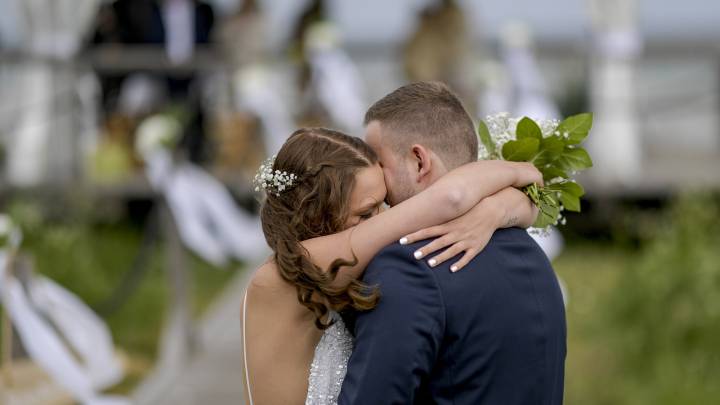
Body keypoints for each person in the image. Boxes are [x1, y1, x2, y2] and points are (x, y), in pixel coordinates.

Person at [242, 126, 541, 404]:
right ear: (316, 215)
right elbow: (451, 197)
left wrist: (496, 210)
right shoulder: (284, 278)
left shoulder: (337, 272)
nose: (385, 216)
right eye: (366, 213)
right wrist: (522, 171)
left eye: (383, 203)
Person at [338, 82, 566, 404]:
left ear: (419, 161)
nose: (371, 180)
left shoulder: (410, 265)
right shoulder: (531, 253)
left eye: (378, 163)